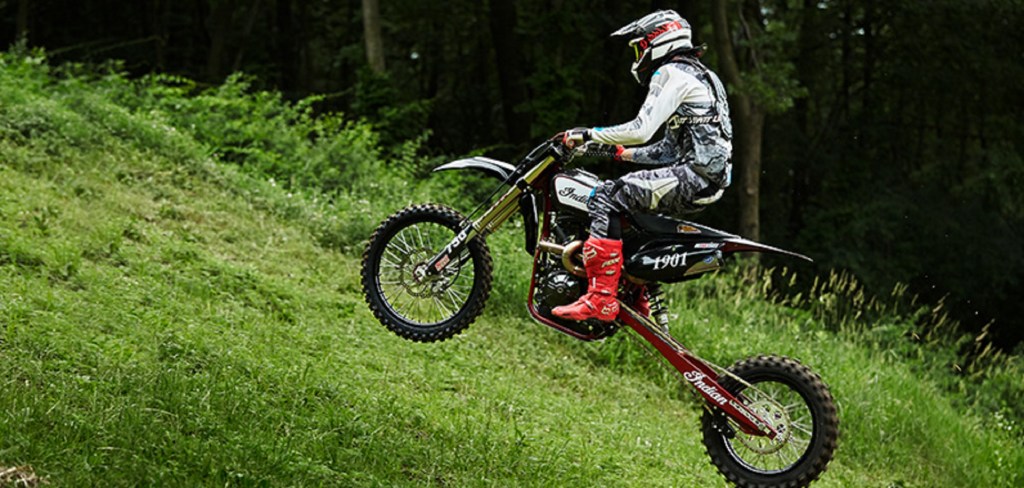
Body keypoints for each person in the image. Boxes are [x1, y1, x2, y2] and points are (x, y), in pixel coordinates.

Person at [551, 10, 733, 322]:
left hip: (694, 177)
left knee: (606, 196)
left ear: (658, 41)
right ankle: (636, 297)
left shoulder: (671, 73)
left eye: (639, 48)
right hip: (705, 178)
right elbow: (668, 150)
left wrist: (585, 134)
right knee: (629, 211)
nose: (637, 57)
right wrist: (619, 154)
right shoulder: (702, 75)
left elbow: (640, 130)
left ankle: (600, 299)